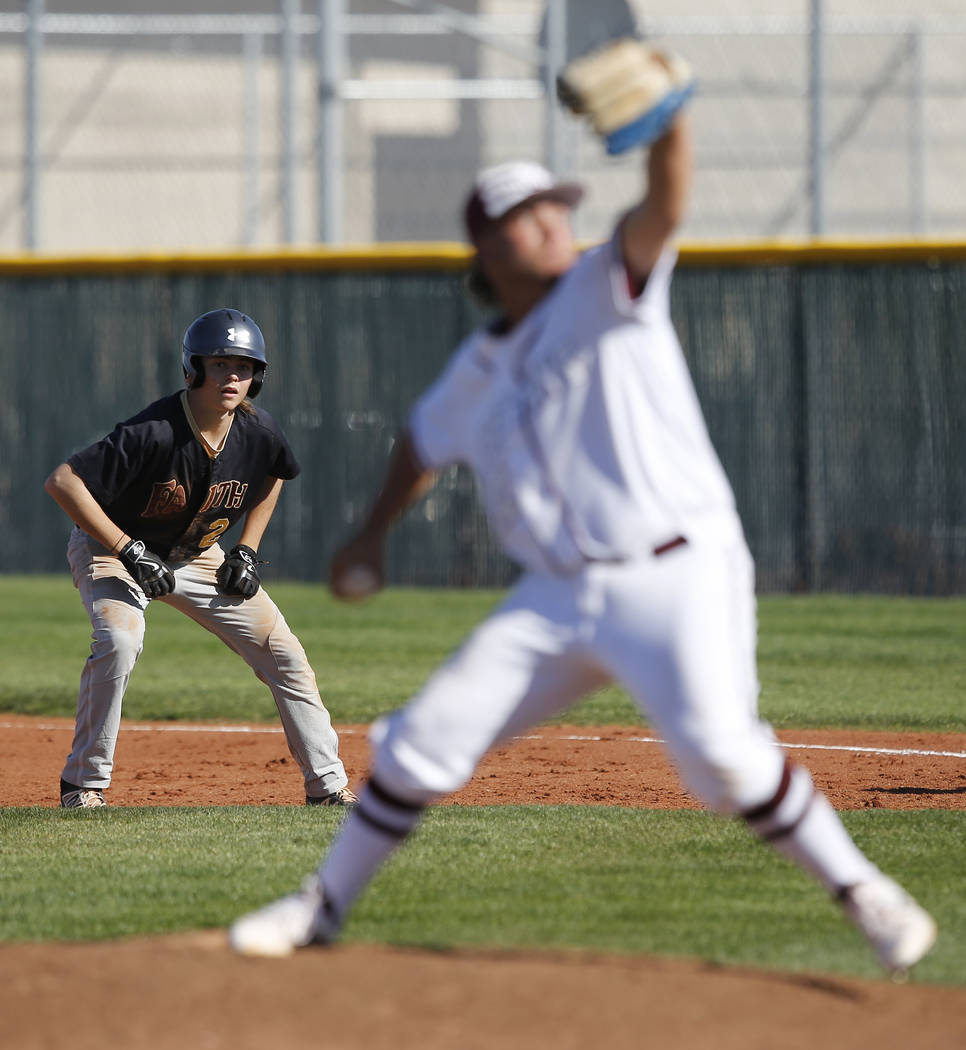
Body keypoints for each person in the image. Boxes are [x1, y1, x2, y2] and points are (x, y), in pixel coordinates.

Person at [228, 89, 936, 976]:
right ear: (489, 245)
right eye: (530, 214)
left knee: (724, 762)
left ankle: (865, 893)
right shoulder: (478, 365)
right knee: (422, 738)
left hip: (676, 572)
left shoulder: (609, 286)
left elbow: (666, 201)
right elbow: (420, 441)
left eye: (557, 206)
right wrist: (370, 535)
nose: (556, 221)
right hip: (558, 595)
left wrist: (673, 115)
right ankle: (320, 908)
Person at [44, 308, 357, 809]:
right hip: (111, 549)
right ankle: (83, 785)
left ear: (257, 377)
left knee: (285, 655)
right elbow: (62, 482)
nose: (231, 377)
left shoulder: (257, 431)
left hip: (196, 554)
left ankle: (328, 787)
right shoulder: (155, 431)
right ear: (193, 369)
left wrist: (248, 550)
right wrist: (128, 549)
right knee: (119, 641)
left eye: (243, 367)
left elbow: (275, 472)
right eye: (218, 365)